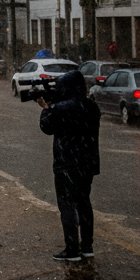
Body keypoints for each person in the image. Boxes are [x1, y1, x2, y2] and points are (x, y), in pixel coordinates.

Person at [38, 69, 100, 261]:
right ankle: (87, 246)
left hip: (67, 164)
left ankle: (71, 249)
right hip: (87, 164)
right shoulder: (92, 106)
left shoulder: (63, 108)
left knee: (67, 205)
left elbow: (46, 127)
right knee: (84, 203)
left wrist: (45, 108)